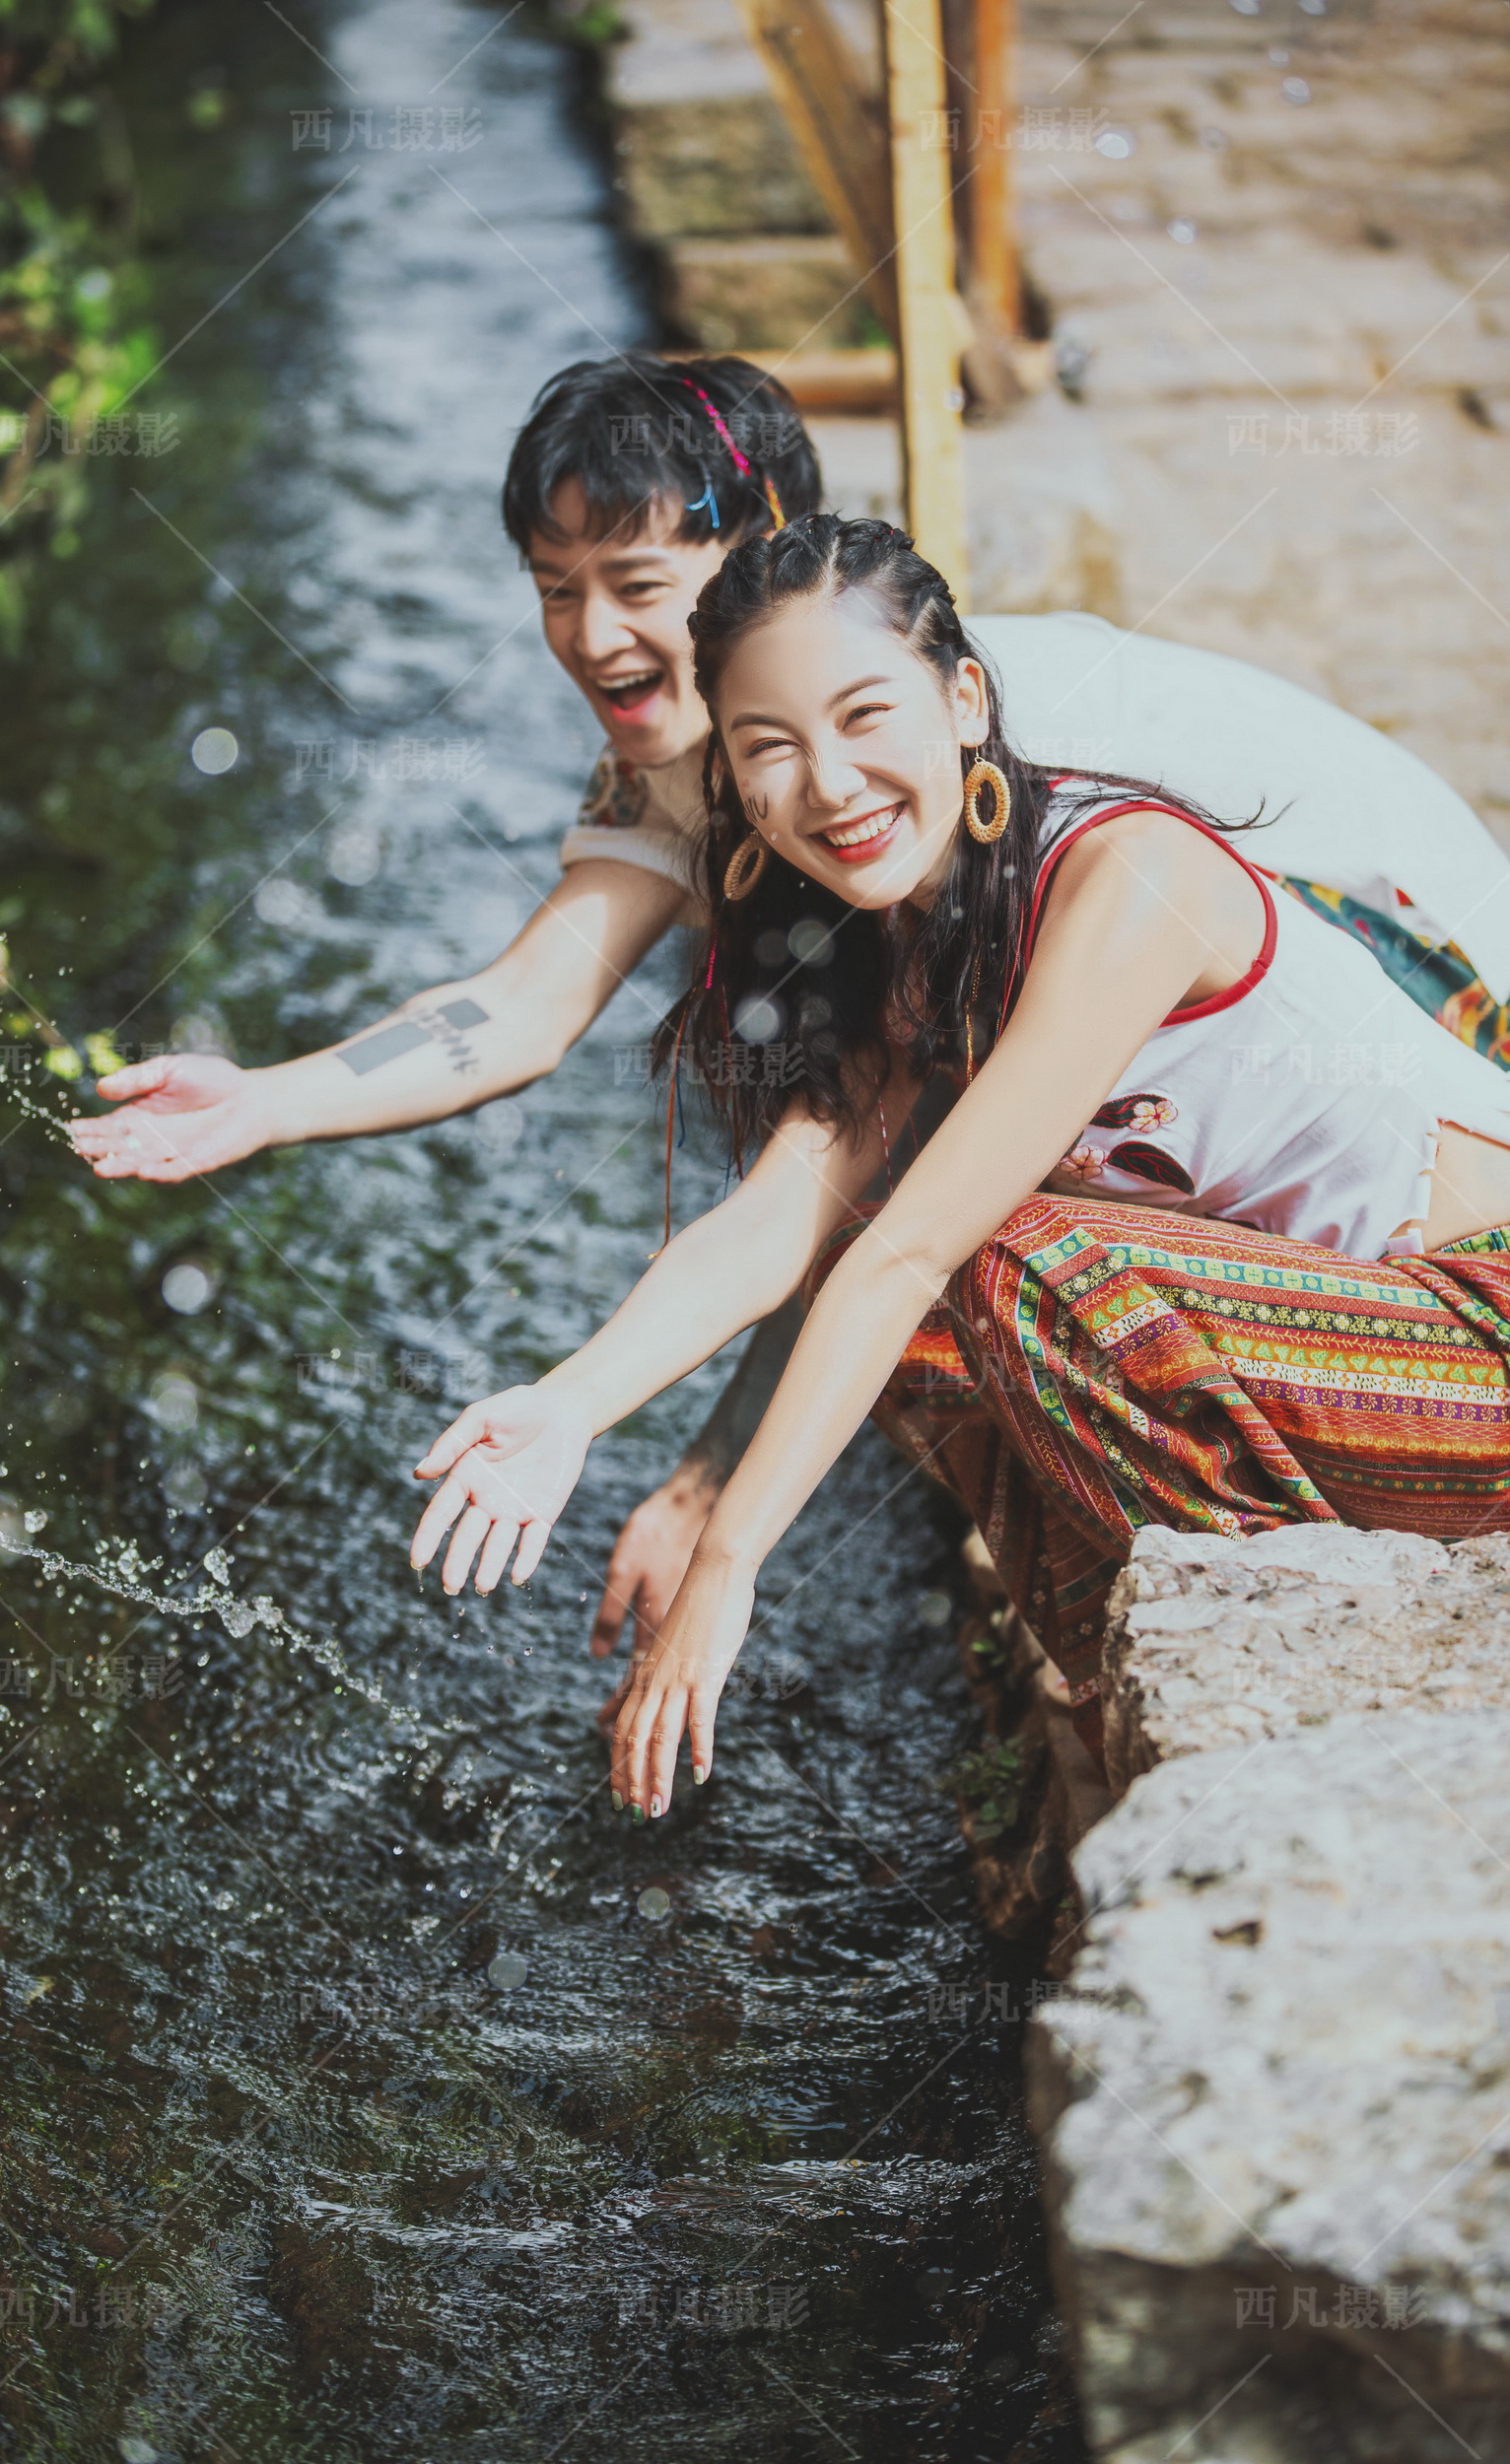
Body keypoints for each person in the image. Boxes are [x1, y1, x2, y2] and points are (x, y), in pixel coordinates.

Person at [71, 350, 1510, 1675]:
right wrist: (272, 1102)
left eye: (636, 581)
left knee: (999, 1261)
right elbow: (546, 1021)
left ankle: (1293, 1556)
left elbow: (900, 1226)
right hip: (1234, 1137)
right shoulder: (730, 780)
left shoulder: (976, 756)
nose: (590, 635)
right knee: (942, 1277)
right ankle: (1130, 1651)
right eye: (552, 584)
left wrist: (718, 1514)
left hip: (1416, 967)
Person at [406, 514, 1510, 1813]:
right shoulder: (918, 958)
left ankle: (1293, 1620)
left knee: (1003, 1261)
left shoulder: (1126, 874)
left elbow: (910, 1250)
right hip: (1335, 1363)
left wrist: (727, 1557)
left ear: (966, 699)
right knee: (924, 1336)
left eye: (866, 716)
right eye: (771, 749)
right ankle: (1130, 1693)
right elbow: (772, 1230)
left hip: (1472, 1328)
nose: (829, 783)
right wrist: (569, 1408)